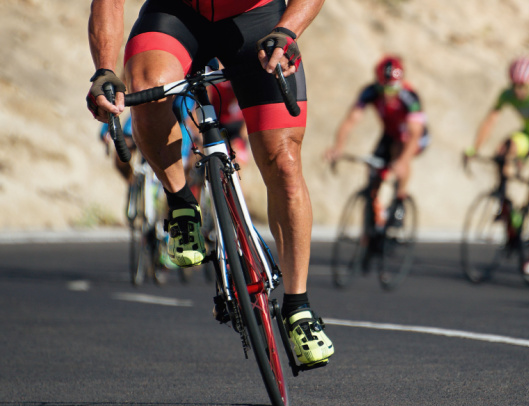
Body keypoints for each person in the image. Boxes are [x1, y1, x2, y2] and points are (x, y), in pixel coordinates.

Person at [86, 0, 332, 367]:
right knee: (148, 86)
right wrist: (104, 70)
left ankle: (298, 307)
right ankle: (181, 201)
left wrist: (288, 30)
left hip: (256, 21)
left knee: (284, 162)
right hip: (175, 14)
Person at [466, 56, 529, 275]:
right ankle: (505, 204)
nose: (519, 91)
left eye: (523, 86)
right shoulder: (508, 94)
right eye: (515, 86)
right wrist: (474, 149)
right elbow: (490, 120)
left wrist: (522, 159)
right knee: (502, 152)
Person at [324, 55, 429, 212]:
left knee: (399, 156)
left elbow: (415, 134)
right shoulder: (370, 91)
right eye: (383, 88)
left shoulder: (410, 97)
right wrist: (338, 148)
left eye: (392, 88)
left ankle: (399, 200)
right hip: (390, 132)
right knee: (373, 169)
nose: (387, 94)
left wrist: (402, 162)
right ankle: (372, 220)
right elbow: (350, 121)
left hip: (413, 136)